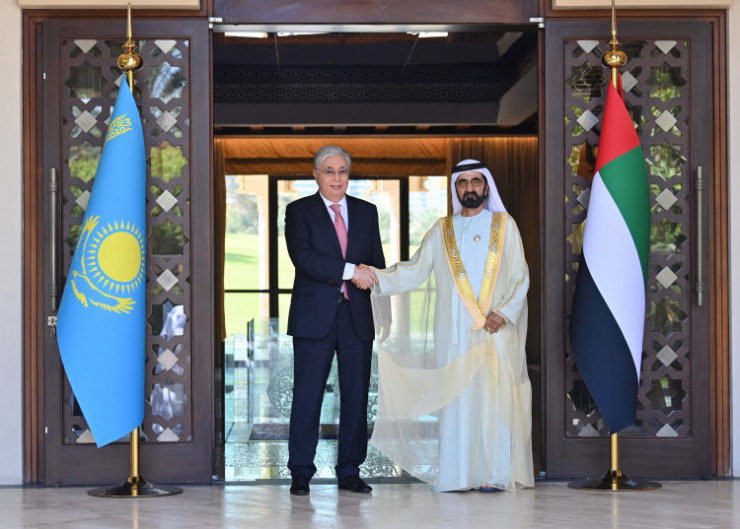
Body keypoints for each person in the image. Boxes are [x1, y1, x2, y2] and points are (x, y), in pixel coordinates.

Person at [364, 159, 533, 492]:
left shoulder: (504, 225)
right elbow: (415, 270)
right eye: (462, 183)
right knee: (456, 403)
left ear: (486, 186)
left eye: (475, 181)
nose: (469, 188)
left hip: (495, 332)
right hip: (453, 336)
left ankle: (494, 475)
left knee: (493, 401)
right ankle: (457, 476)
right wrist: (374, 276)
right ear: (456, 188)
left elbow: (520, 276)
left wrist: (503, 312)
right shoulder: (442, 230)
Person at [285, 145, 386, 496]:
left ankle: (350, 471)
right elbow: (303, 258)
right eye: (329, 171)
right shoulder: (299, 211)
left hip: (357, 317)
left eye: (342, 171)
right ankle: (301, 471)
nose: (337, 178)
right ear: (316, 174)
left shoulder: (367, 212)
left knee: (356, 396)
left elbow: (375, 263)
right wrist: (350, 271)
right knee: (307, 395)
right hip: (314, 318)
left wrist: (378, 295)